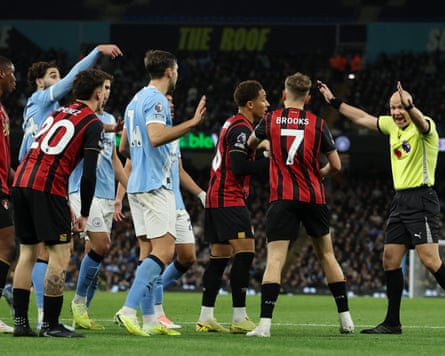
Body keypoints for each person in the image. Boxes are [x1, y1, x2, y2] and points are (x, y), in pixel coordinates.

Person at [318, 79, 444, 335]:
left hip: (421, 199)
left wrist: (411, 108)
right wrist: (334, 102)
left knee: (430, 261)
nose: (396, 112)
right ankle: (392, 322)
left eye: (401, 107)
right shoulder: (390, 125)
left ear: (410, 106)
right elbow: (363, 117)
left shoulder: (425, 127)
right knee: (390, 260)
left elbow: (420, 121)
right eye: (393, 108)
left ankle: (393, 321)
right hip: (400, 201)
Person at [18, 44, 123, 330]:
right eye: (104, 89)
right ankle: (49, 320)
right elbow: (88, 173)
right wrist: (84, 214)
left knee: (29, 252)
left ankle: (22, 322)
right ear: (98, 92)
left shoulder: (54, 113)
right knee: (58, 252)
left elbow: (28, 149)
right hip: (51, 185)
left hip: (25, 179)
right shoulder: (78, 115)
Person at [246, 72, 354, 337]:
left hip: (282, 198)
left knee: (275, 258)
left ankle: (265, 325)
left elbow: (251, 143)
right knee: (327, 256)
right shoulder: (318, 123)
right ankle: (346, 320)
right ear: (307, 98)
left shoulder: (270, 119)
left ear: (284, 95)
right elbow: (337, 166)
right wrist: (320, 174)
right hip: (314, 197)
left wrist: (266, 146)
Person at [114, 49, 206, 337]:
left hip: (137, 186)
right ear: (169, 71)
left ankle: (151, 318)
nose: (177, 74)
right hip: (156, 185)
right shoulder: (156, 100)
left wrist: (140, 160)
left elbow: (124, 148)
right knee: (165, 252)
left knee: (147, 252)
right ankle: (128, 309)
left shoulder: (134, 100)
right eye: (176, 70)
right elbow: (154, 137)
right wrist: (191, 124)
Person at [195, 80, 269, 334]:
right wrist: (270, 163)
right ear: (250, 104)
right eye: (263, 99)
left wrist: (261, 151)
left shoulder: (233, 123)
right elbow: (238, 167)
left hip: (216, 198)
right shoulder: (240, 128)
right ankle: (239, 317)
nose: (267, 104)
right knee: (246, 253)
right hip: (228, 198)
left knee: (219, 259)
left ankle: (206, 316)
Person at [69, 76, 127, 330]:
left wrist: (129, 189)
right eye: (103, 88)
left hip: (105, 194)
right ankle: (78, 304)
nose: (106, 93)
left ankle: (83, 315)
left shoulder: (112, 119)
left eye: (109, 88)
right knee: (102, 245)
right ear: (94, 91)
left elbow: (113, 158)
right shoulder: (83, 117)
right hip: (83, 189)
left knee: (92, 255)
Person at [0, 55, 17, 334]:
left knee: (6, 246)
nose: (15, 78)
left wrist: (18, 179)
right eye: (12, 73)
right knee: (7, 246)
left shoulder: (2, 109)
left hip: (3, 185)